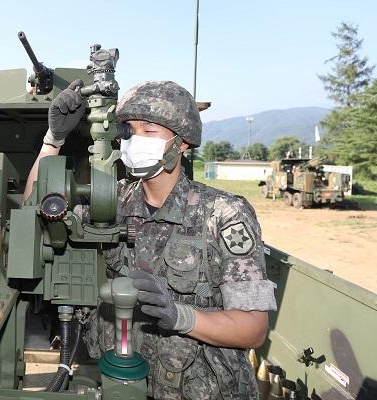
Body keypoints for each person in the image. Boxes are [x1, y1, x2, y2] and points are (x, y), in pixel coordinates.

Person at [24, 80, 277, 399]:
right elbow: (35, 211)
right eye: (129, 129)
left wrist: (180, 316)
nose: (135, 139)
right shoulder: (112, 201)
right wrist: (53, 139)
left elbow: (253, 329)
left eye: (150, 129)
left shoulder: (224, 215)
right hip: (117, 383)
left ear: (182, 142)